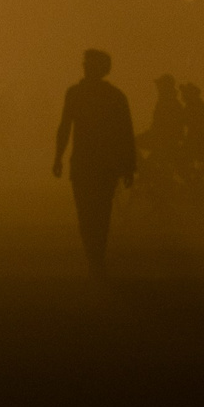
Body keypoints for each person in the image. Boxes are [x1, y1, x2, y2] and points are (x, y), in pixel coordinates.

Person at [53, 49, 137, 277]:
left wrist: (58, 157)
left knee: (86, 213)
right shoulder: (116, 96)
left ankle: (94, 256)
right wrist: (129, 166)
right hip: (104, 165)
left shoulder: (75, 93)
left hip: (84, 164)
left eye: (87, 64)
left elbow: (64, 128)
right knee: (101, 213)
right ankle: (96, 257)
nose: (85, 67)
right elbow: (126, 133)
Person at [141, 75, 186, 173]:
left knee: (134, 143)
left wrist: (151, 133)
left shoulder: (167, 103)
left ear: (165, 87)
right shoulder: (169, 101)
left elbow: (163, 125)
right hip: (164, 138)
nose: (158, 88)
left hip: (163, 140)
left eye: (160, 86)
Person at [180, 84, 204, 159]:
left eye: (185, 93)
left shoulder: (193, 106)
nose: (182, 95)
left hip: (196, 138)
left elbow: (185, 121)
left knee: (182, 157)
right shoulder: (196, 104)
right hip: (198, 136)